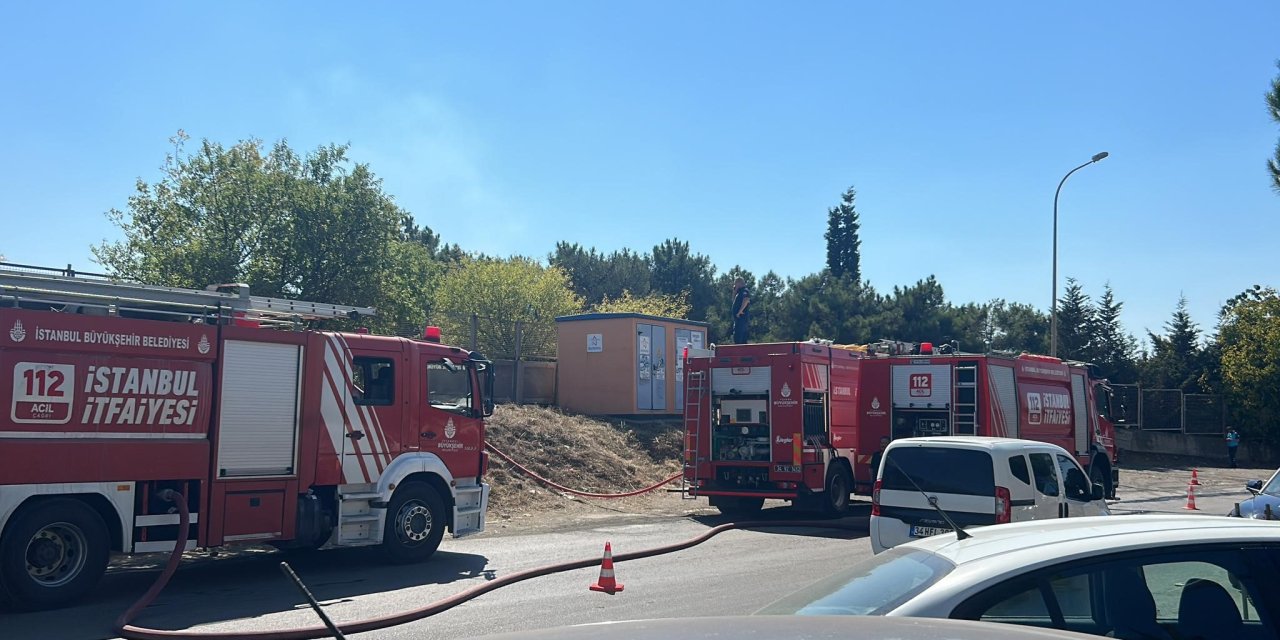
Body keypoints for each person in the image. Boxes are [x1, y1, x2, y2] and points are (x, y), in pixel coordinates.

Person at [731, 277, 751, 344]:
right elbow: (733, 301)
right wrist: (735, 291)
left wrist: (739, 311)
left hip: (741, 319)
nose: (734, 285)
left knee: (739, 338)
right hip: (738, 320)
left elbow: (746, 300)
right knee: (737, 338)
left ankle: (740, 353)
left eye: (735, 284)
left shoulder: (745, 290)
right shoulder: (738, 293)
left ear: (739, 283)